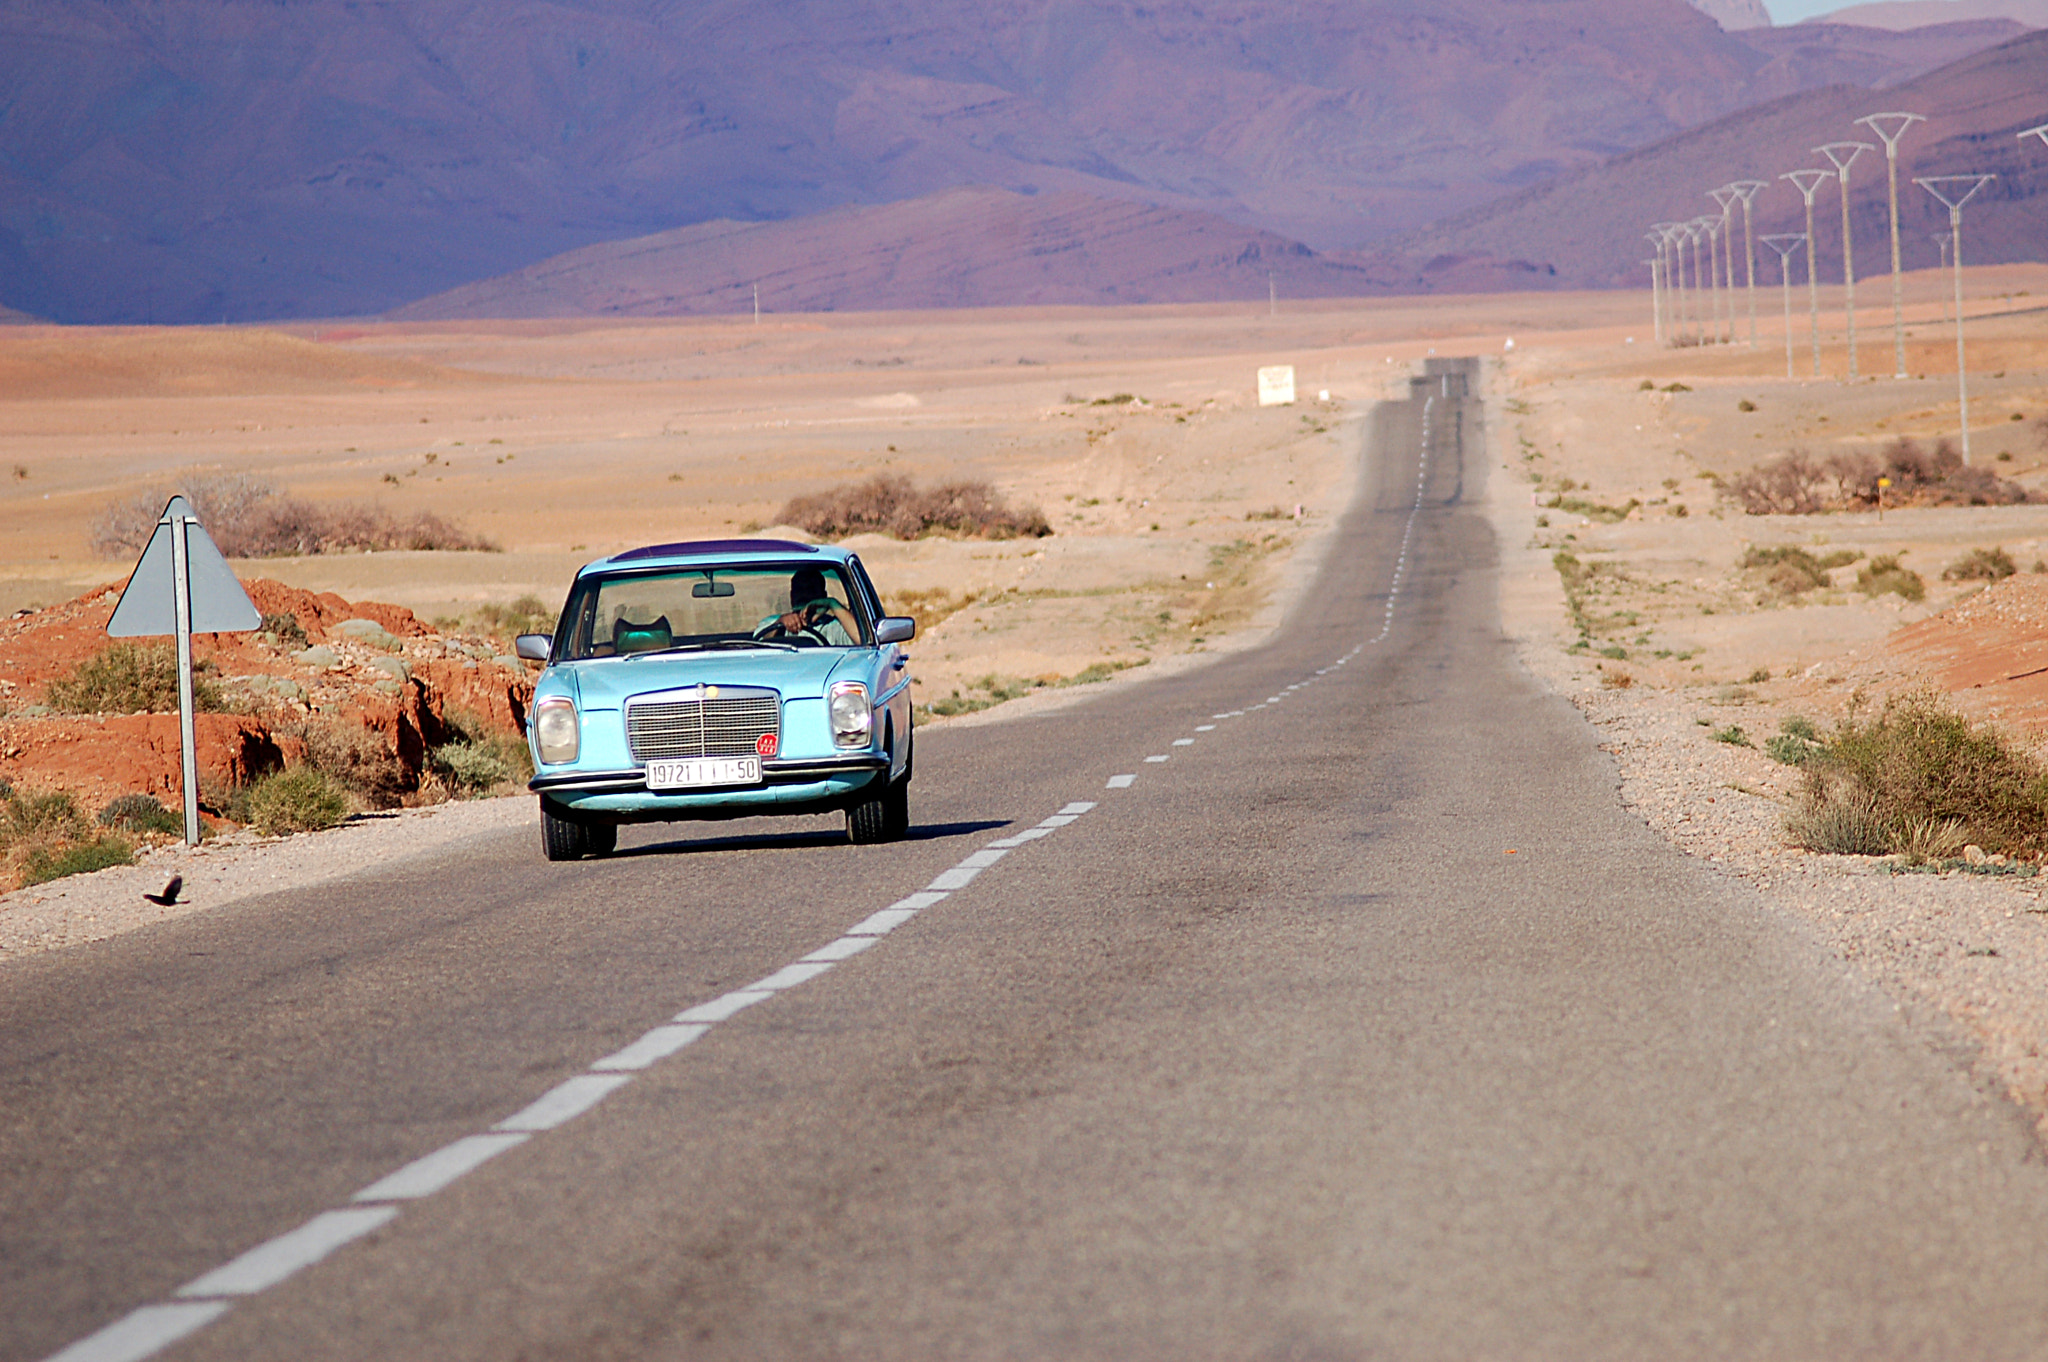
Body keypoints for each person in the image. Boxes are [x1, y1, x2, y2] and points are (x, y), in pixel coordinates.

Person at [757, 566, 858, 644]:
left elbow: (861, 639)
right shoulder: (770, 622)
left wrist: (832, 603)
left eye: (811, 589)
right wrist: (780, 623)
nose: (804, 595)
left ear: (822, 595)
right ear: (792, 596)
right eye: (799, 590)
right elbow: (757, 648)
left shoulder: (833, 626)